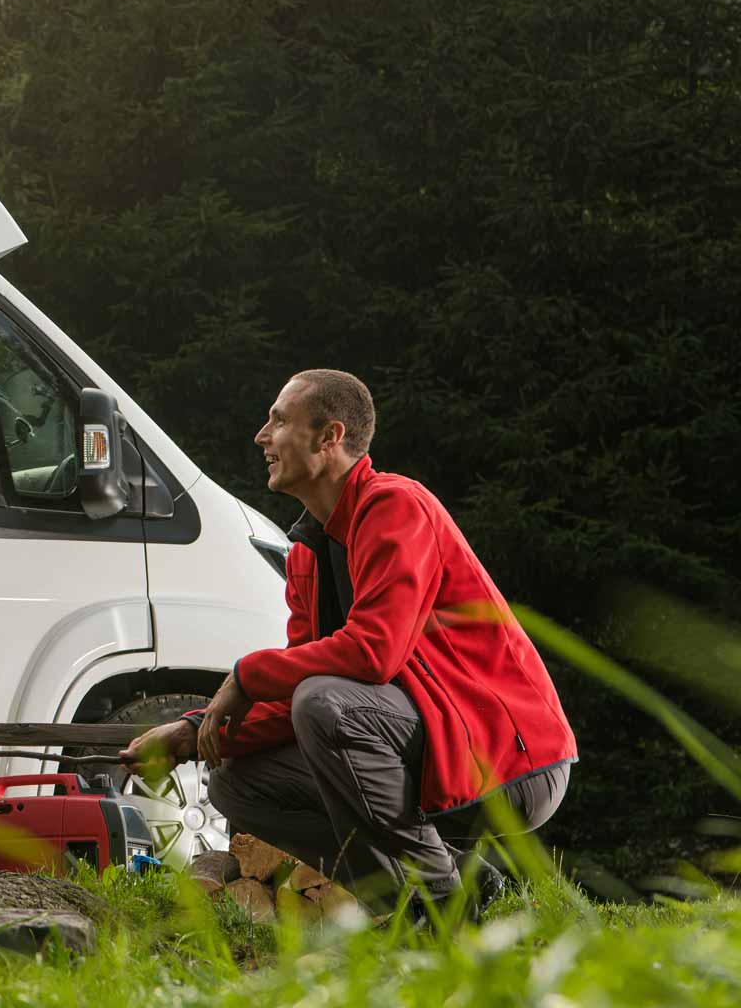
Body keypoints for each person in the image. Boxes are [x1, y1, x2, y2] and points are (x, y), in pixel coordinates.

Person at [120, 369, 576, 915]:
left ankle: (443, 903)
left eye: (279, 421)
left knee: (324, 703)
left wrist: (245, 676)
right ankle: (409, 905)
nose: (261, 437)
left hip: (506, 762)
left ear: (329, 437)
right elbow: (293, 700)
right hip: (421, 750)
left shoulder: (397, 506)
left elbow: (373, 653)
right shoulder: (307, 556)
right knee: (234, 783)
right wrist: (195, 731)